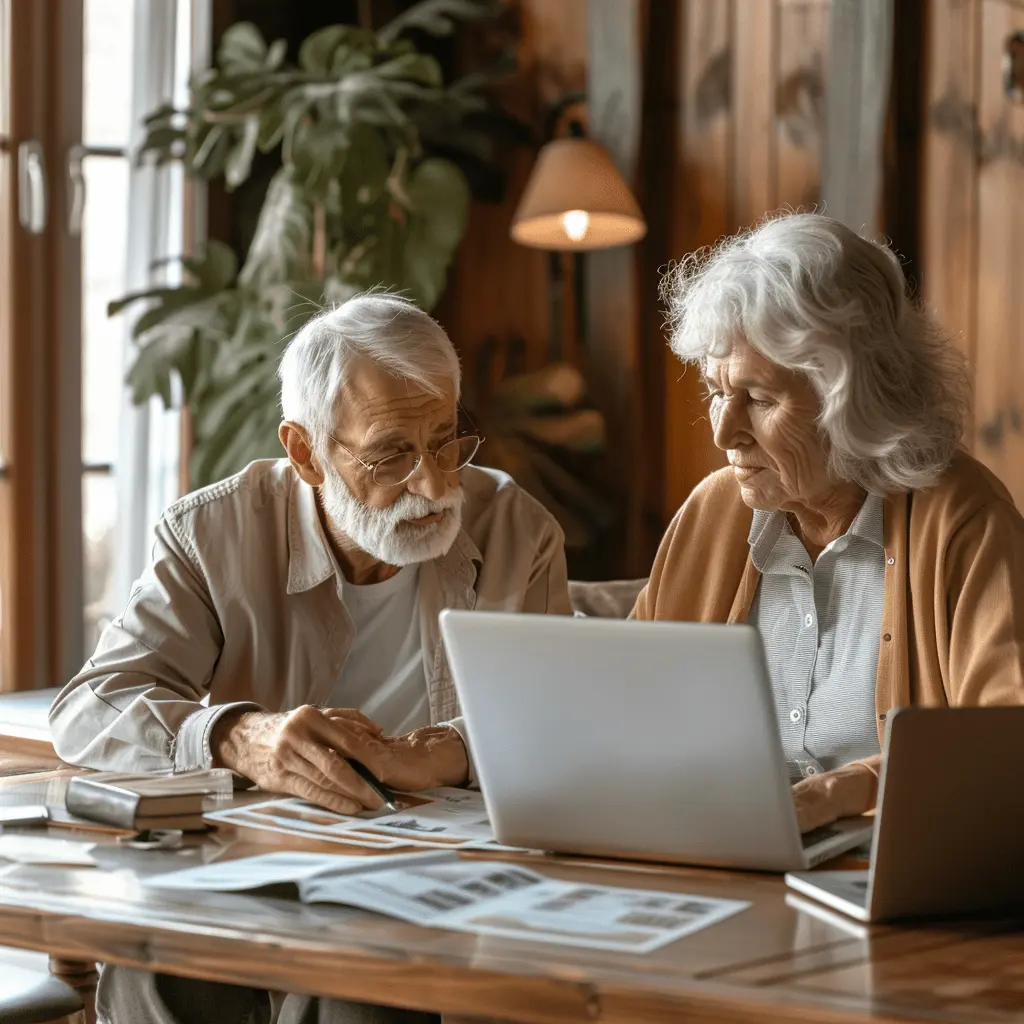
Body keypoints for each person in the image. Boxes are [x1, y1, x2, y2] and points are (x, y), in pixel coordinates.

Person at [50, 291, 571, 1024]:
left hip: (435, 883)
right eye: (392, 453)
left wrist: (451, 752)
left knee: (372, 991)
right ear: (305, 452)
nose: (433, 483)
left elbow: (561, 728)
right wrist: (238, 736)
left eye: (447, 440)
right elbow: (89, 708)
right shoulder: (213, 533)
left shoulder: (517, 529)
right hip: (247, 866)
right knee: (166, 969)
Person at [635, 212, 1024, 833]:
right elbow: (623, 703)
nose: (723, 431)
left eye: (759, 399)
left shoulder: (962, 520)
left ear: (856, 399)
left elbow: (1005, 747)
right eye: (715, 391)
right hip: (723, 852)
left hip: (890, 871)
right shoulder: (712, 514)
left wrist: (850, 789)